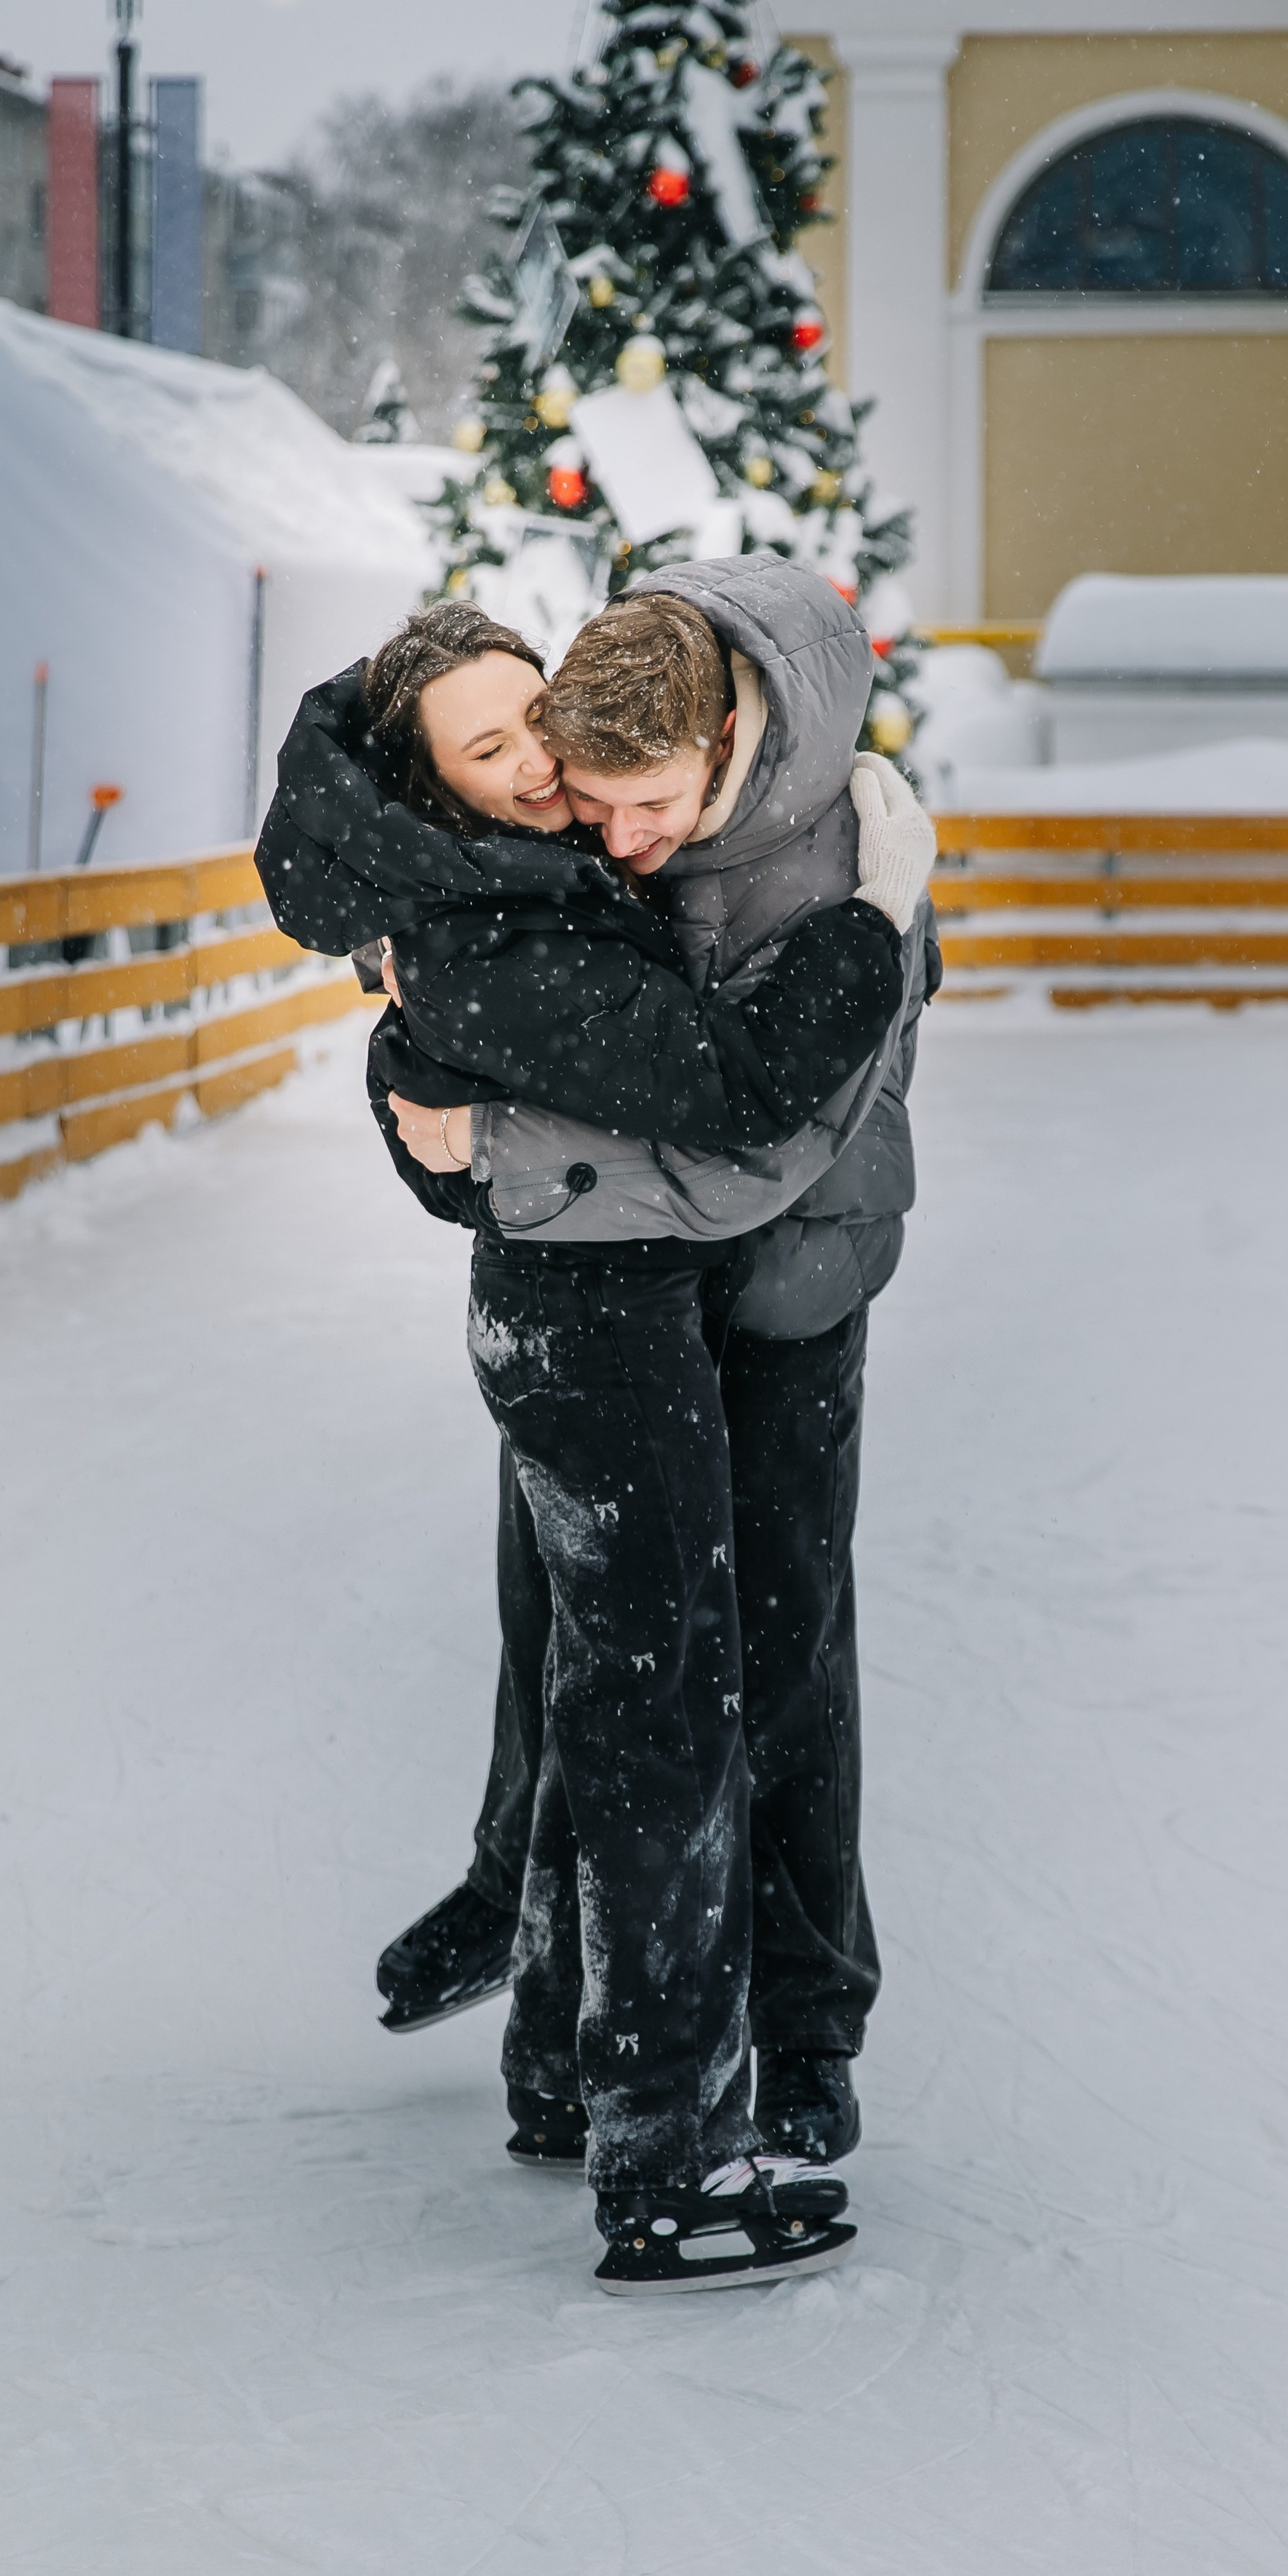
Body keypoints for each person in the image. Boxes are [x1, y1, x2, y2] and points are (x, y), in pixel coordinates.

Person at [257, 584, 932, 2291]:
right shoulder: (494, 905)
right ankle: (658, 2143)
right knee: (656, 1700)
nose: (557, 784)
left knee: (667, 1679)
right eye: (498, 755)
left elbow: (730, 1109)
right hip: (596, 1317)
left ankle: (586, 2061)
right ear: (442, 790)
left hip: (721, 1305)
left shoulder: (593, 865)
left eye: (531, 723)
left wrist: (484, 1136)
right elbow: (722, 1088)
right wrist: (465, 1141)